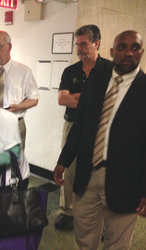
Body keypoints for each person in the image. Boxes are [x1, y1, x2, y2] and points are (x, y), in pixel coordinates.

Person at [54, 30, 146, 249]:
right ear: (112, 51)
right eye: (122, 47)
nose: (128, 52)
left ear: (142, 52)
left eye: (135, 47)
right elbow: (80, 126)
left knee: (117, 242)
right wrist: (63, 160)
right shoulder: (96, 81)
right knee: (84, 237)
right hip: (88, 172)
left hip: (127, 180)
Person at [55, 24, 112, 230]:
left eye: (84, 44)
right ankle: (67, 211)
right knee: (68, 170)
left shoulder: (109, 69)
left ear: (96, 43)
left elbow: (109, 102)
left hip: (101, 129)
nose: (79, 48)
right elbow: (62, 99)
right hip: (72, 125)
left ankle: (102, 217)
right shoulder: (70, 71)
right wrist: (91, 100)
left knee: (99, 171)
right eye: (77, 44)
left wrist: (78, 97)